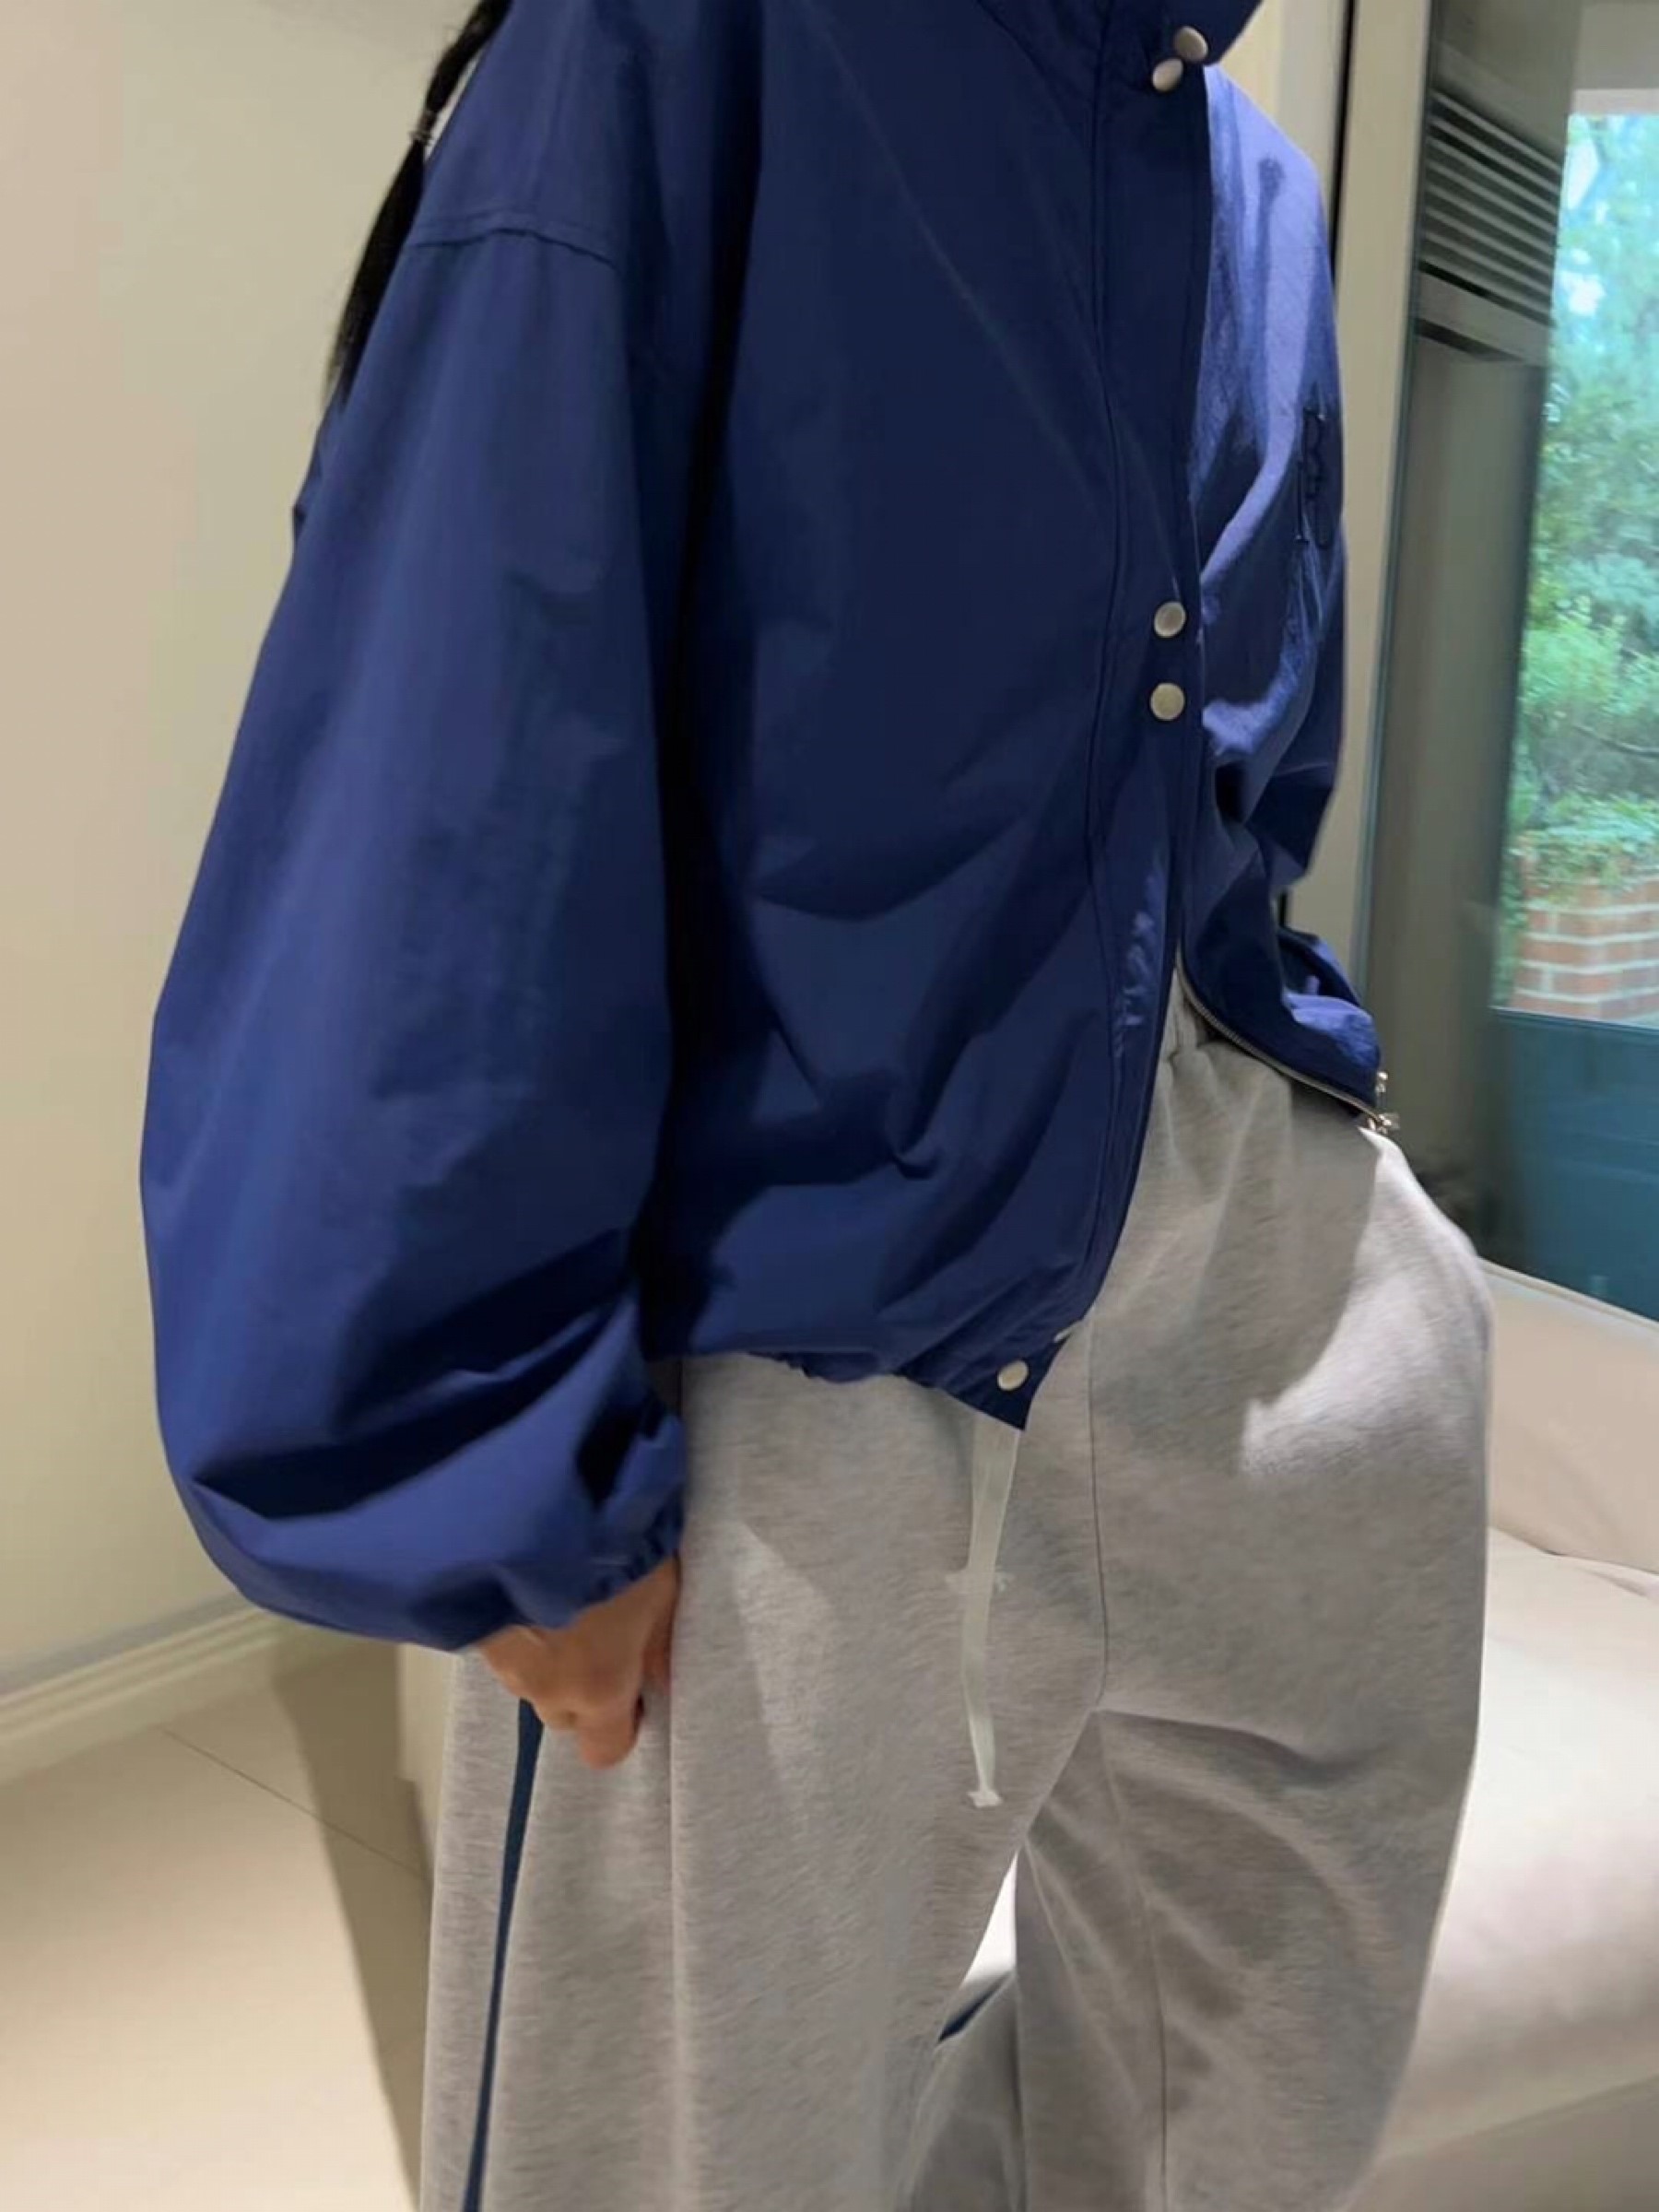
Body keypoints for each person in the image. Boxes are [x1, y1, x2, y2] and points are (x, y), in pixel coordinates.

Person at [141, 3, 1491, 2206]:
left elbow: (1228, 801)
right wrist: (473, 1465)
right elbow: (456, 723)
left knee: (1233, 2140)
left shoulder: (1254, 188)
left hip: (1272, 1319)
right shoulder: (697, 36)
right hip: (810, 1364)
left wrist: (1364, 1239)